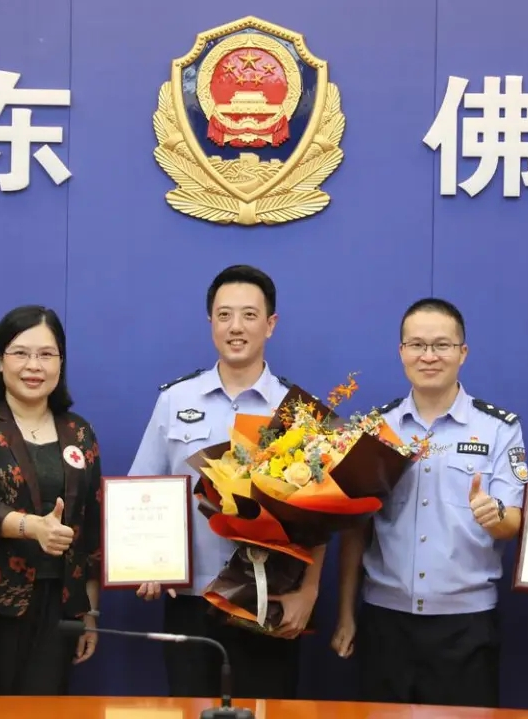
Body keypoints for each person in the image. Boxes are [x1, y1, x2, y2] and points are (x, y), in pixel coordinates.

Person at [129, 264, 322, 700]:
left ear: (270, 324)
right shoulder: (175, 400)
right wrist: (144, 563)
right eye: (224, 315)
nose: (236, 327)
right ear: (211, 323)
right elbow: (143, 490)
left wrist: (308, 592)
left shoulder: (295, 411)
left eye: (249, 315)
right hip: (189, 600)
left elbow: (320, 518)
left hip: (268, 602)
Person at [331, 298, 526, 708]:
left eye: (442, 345)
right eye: (417, 345)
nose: (429, 356)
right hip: (385, 622)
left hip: (466, 626)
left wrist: (493, 515)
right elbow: (355, 531)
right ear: (401, 351)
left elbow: (513, 521)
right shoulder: (375, 429)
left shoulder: (498, 428)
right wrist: (346, 613)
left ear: (463, 352)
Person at [0, 305, 103, 696]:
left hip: (57, 605)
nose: (34, 366)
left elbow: (90, 527)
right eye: (21, 353)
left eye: (46, 354)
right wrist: (34, 527)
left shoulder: (79, 432)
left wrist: (89, 611)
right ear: (0, 360)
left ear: (60, 362)